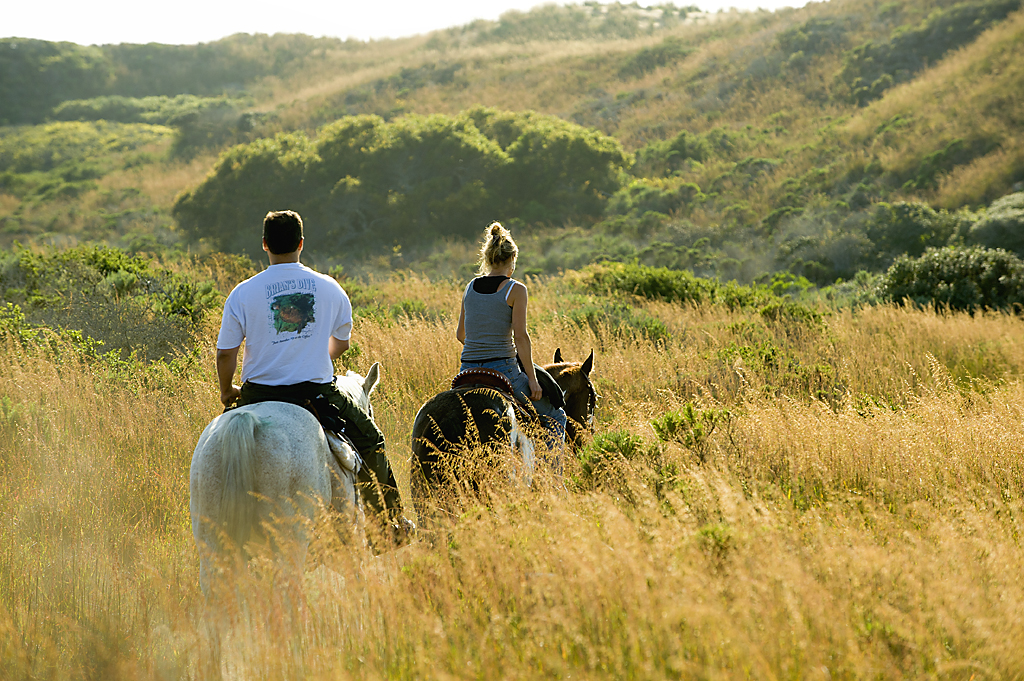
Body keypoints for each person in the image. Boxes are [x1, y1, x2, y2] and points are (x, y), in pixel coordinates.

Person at [216, 210, 403, 524]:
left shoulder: (242, 292)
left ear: (264, 244)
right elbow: (341, 343)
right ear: (301, 243)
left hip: (257, 394)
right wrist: (311, 353)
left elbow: (225, 355)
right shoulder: (330, 288)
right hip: (316, 394)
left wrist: (227, 392)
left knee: (220, 449)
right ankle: (389, 526)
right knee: (373, 442)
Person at [456, 221, 568, 456]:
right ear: (512, 261)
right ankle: (553, 482)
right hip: (503, 371)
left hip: (466, 371)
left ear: (487, 259)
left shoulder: (470, 287)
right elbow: (521, 337)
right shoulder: (515, 289)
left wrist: (480, 347)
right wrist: (533, 380)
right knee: (556, 416)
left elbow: (461, 335)